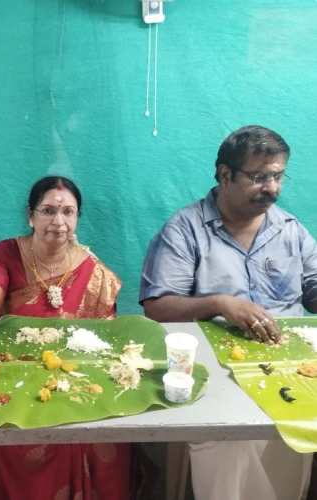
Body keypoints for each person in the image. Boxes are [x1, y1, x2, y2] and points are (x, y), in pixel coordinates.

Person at [140, 125, 315, 500]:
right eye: (260, 177)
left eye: (278, 176)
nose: (271, 187)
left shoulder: (291, 230)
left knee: (296, 441)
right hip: (217, 370)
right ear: (224, 174)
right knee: (231, 444)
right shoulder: (184, 230)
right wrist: (218, 303)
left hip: (288, 366)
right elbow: (157, 307)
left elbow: (313, 287)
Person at [0, 176, 130, 500]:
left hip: (71, 379)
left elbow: (103, 341)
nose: (58, 222)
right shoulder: (6, 253)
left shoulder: (94, 272)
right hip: (13, 374)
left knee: (102, 437)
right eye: (48, 210)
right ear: (30, 215)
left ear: (77, 217)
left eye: (68, 212)